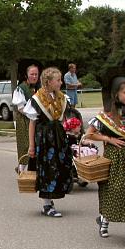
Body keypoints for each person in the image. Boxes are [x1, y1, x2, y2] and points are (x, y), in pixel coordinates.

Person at [85, 70, 125, 249]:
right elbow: (89, 135)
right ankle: (104, 219)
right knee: (114, 192)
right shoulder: (105, 116)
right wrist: (108, 139)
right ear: (116, 95)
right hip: (113, 159)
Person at [23, 67, 72, 217]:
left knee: (58, 167)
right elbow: (32, 123)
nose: (61, 82)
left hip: (58, 137)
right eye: (58, 80)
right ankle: (46, 204)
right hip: (44, 139)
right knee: (47, 169)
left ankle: (51, 200)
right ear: (48, 82)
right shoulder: (38, 99)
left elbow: (63, 119)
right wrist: (31, 145)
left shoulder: (61, 97)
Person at [12, 60, 41, 172]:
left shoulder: (39, 88)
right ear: (26, 75)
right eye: (32, 74)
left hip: (35, 120)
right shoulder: (21, 88)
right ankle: (21, 168)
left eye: (36, 74)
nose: (34, 76)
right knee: (25, 144)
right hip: (24, 120)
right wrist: (33, 114)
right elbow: (20, 108)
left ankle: (34, 168)